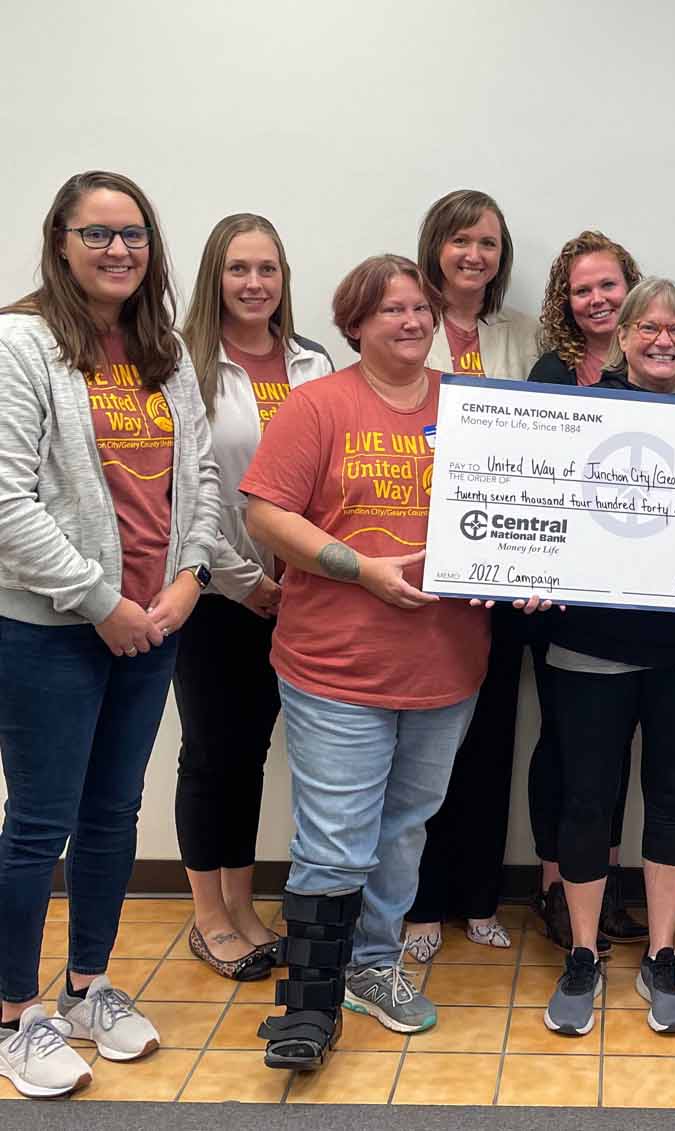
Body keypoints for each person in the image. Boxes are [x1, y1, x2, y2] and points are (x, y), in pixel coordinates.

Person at [240, 254, 497, 1070]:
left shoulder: (476, 409)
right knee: (336, 843)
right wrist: (360, 569)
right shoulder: (318, 406)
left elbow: (515, 509)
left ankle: (373, 966)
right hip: (336, 668)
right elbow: (263, 514)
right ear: (354, 323)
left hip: (446, 669)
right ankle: (308, 1009)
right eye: (391, 310)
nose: (412, 321)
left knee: (404, 830)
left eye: (421, 308)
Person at [0, 170, 220, 1098]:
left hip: (154, 624)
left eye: (133, 234)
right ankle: (14, 1016)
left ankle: (89, 987)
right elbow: (6, 499)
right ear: (60, 242)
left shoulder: (164, 350)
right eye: (98, 235)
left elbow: (202, 484)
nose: (118, 250)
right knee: (37, 825)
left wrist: (189, 582)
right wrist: (102, 600)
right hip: (50, 630)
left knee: (111, 817)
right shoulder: (21, 342)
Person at [542, 278, 675, 1039]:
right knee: (587, 799)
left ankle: (662, 954)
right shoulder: (575, 417)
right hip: (588, 640)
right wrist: (528, 573)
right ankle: (585, 954)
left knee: (670, 794)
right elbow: (546, 508)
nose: (664, 340)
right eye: (649, 327)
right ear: (620, 338)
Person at [175, 213, 333, 981]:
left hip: (305, 599)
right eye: (239, 269)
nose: (254, 283)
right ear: (216, 277)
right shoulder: (182, 364)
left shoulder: (314, 361)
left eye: (267, 269)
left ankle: (243, 905)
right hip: (216, 596)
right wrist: (247, 584)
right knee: (213, 755)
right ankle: (210, 916)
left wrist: (301, 579)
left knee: (255, 753)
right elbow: (184, 493)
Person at [403, 190, 541, 961]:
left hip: (507, 568)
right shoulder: (404, 317)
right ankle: (422, 904)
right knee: (427, 745)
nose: (474, 256)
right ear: (436, 247)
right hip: (422, 568)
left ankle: (481, 896)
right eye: (460, 241)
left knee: (490, 739)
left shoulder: (523, 335)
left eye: (487, 243)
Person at [525, 230, 648, 950]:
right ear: (564, 303)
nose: (598, 298)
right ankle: (554, 885)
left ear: (632, 285)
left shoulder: (660, 360)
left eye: (609, 284)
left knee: (617, 748)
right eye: (583, 289)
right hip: (562, 596)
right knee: (566, 744)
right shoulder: (550, 372)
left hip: (635, 594)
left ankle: (604, 886)